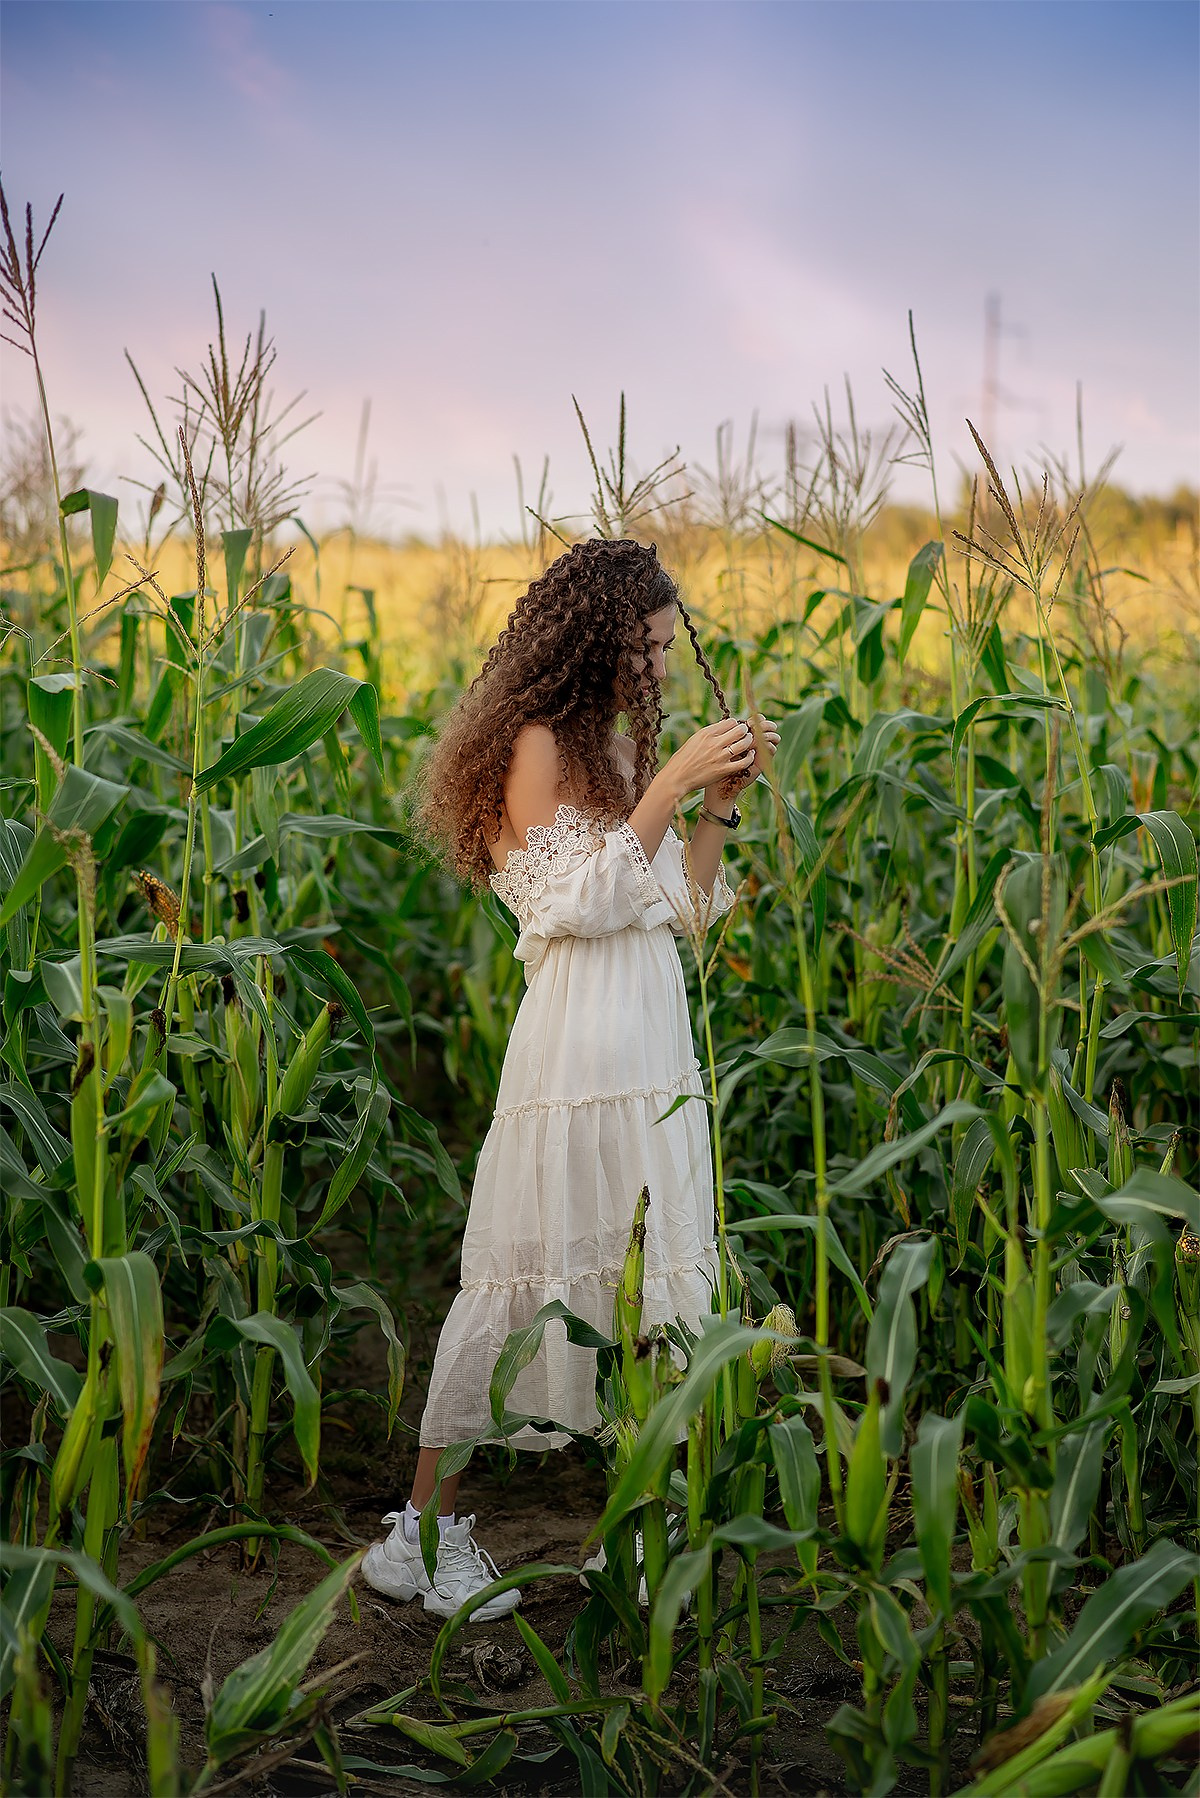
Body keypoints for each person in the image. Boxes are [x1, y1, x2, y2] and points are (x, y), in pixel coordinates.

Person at [362, 538, 778, 1620]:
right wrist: (675, 775)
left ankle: (632, 1532)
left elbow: (680, 907)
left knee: (643, 1294)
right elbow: (571, 904)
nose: (660, 668)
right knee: (524, 1278)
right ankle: (422, 1535)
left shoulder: (611, 753)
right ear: (597, 641)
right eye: (645, 647)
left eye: (661, 648)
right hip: (573, 1053)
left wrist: (714, 802)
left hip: (649, 1046)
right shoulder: (539, 745)